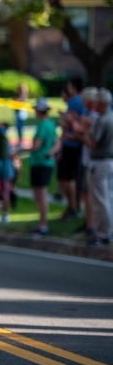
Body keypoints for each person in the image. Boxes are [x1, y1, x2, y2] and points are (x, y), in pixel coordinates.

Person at [21, 98, 58, 235]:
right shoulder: (51, 124)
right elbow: (57, 142)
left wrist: (19, 151)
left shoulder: (43, 125)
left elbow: (36, 146)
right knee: (40, 194)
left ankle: (43, 224)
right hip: (46, 162)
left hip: (40, 163)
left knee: (40, 195)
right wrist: (52, 151)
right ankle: (42, 224)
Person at [84, 88, 113, 245]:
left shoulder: (103, 120)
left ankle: (103, 234)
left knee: (101, 200)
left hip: (101, 162)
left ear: (101, 103)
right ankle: (106, 232)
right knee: (107, 198)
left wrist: (85, 130)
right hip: (109, 161)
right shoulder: (111, 117)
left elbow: (92, 142)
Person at [57, 77, 86, 220]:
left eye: (69, 86)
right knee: (75, 176)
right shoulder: (83, 101)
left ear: (74, 87)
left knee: (67, 177)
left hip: (71, 145)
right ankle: (75, 207)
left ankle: (73, 207)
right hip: (79, 144)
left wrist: (64, 120)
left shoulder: (74, 102)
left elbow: (71, 123)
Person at [74, 87, 100, 237]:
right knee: (86, 193)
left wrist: (80, 127)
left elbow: (90, 140)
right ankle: (89, 223)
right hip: (87, 159)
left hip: (92, 160)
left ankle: (92, 225)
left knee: (90, 194)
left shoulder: (96, 117)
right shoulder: (90, 115)